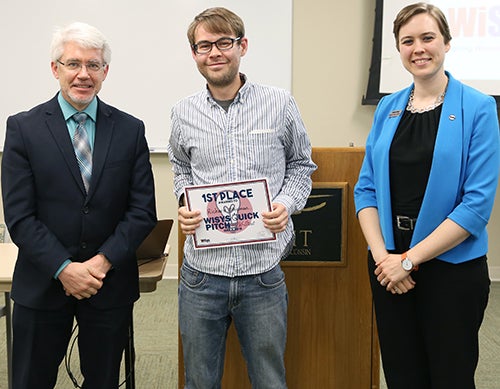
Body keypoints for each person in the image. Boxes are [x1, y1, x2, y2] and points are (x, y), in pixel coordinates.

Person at [1, 22, 156, 389]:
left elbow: (141, 212)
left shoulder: (130, 129)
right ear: (55, 69)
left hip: (108, 285)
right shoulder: (24, 129)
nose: (83, 74)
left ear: (105, 72)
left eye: (93, 65)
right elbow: (20, 217)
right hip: (42, 282)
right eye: (73, 64)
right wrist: (64, 269)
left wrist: (99, 265)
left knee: (102, 382)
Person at [167, 7, 316, 388]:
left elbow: (302, 165)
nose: (214, 52)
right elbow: (181, 168)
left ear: (241, 46)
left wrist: (286, 204)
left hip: (262, 274)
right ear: (194, 53)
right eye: (204, 45)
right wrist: (186, 203)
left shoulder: (280, 103)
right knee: (200, 381)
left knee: (269, 380)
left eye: (223, 43)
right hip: (201, 276)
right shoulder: (183, 113)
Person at [354, 3, 499, 388]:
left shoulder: (479, 108)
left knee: (450, 377)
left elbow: (476, 206)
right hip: (388, 268)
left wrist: (409, 261)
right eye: (408, 41)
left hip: (450, 270)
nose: (418, 48)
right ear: (399, 50)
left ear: (447, 43)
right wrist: (385, 259)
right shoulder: (388, 106)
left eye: (428, 37)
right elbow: (365, 189)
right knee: (402, 376)